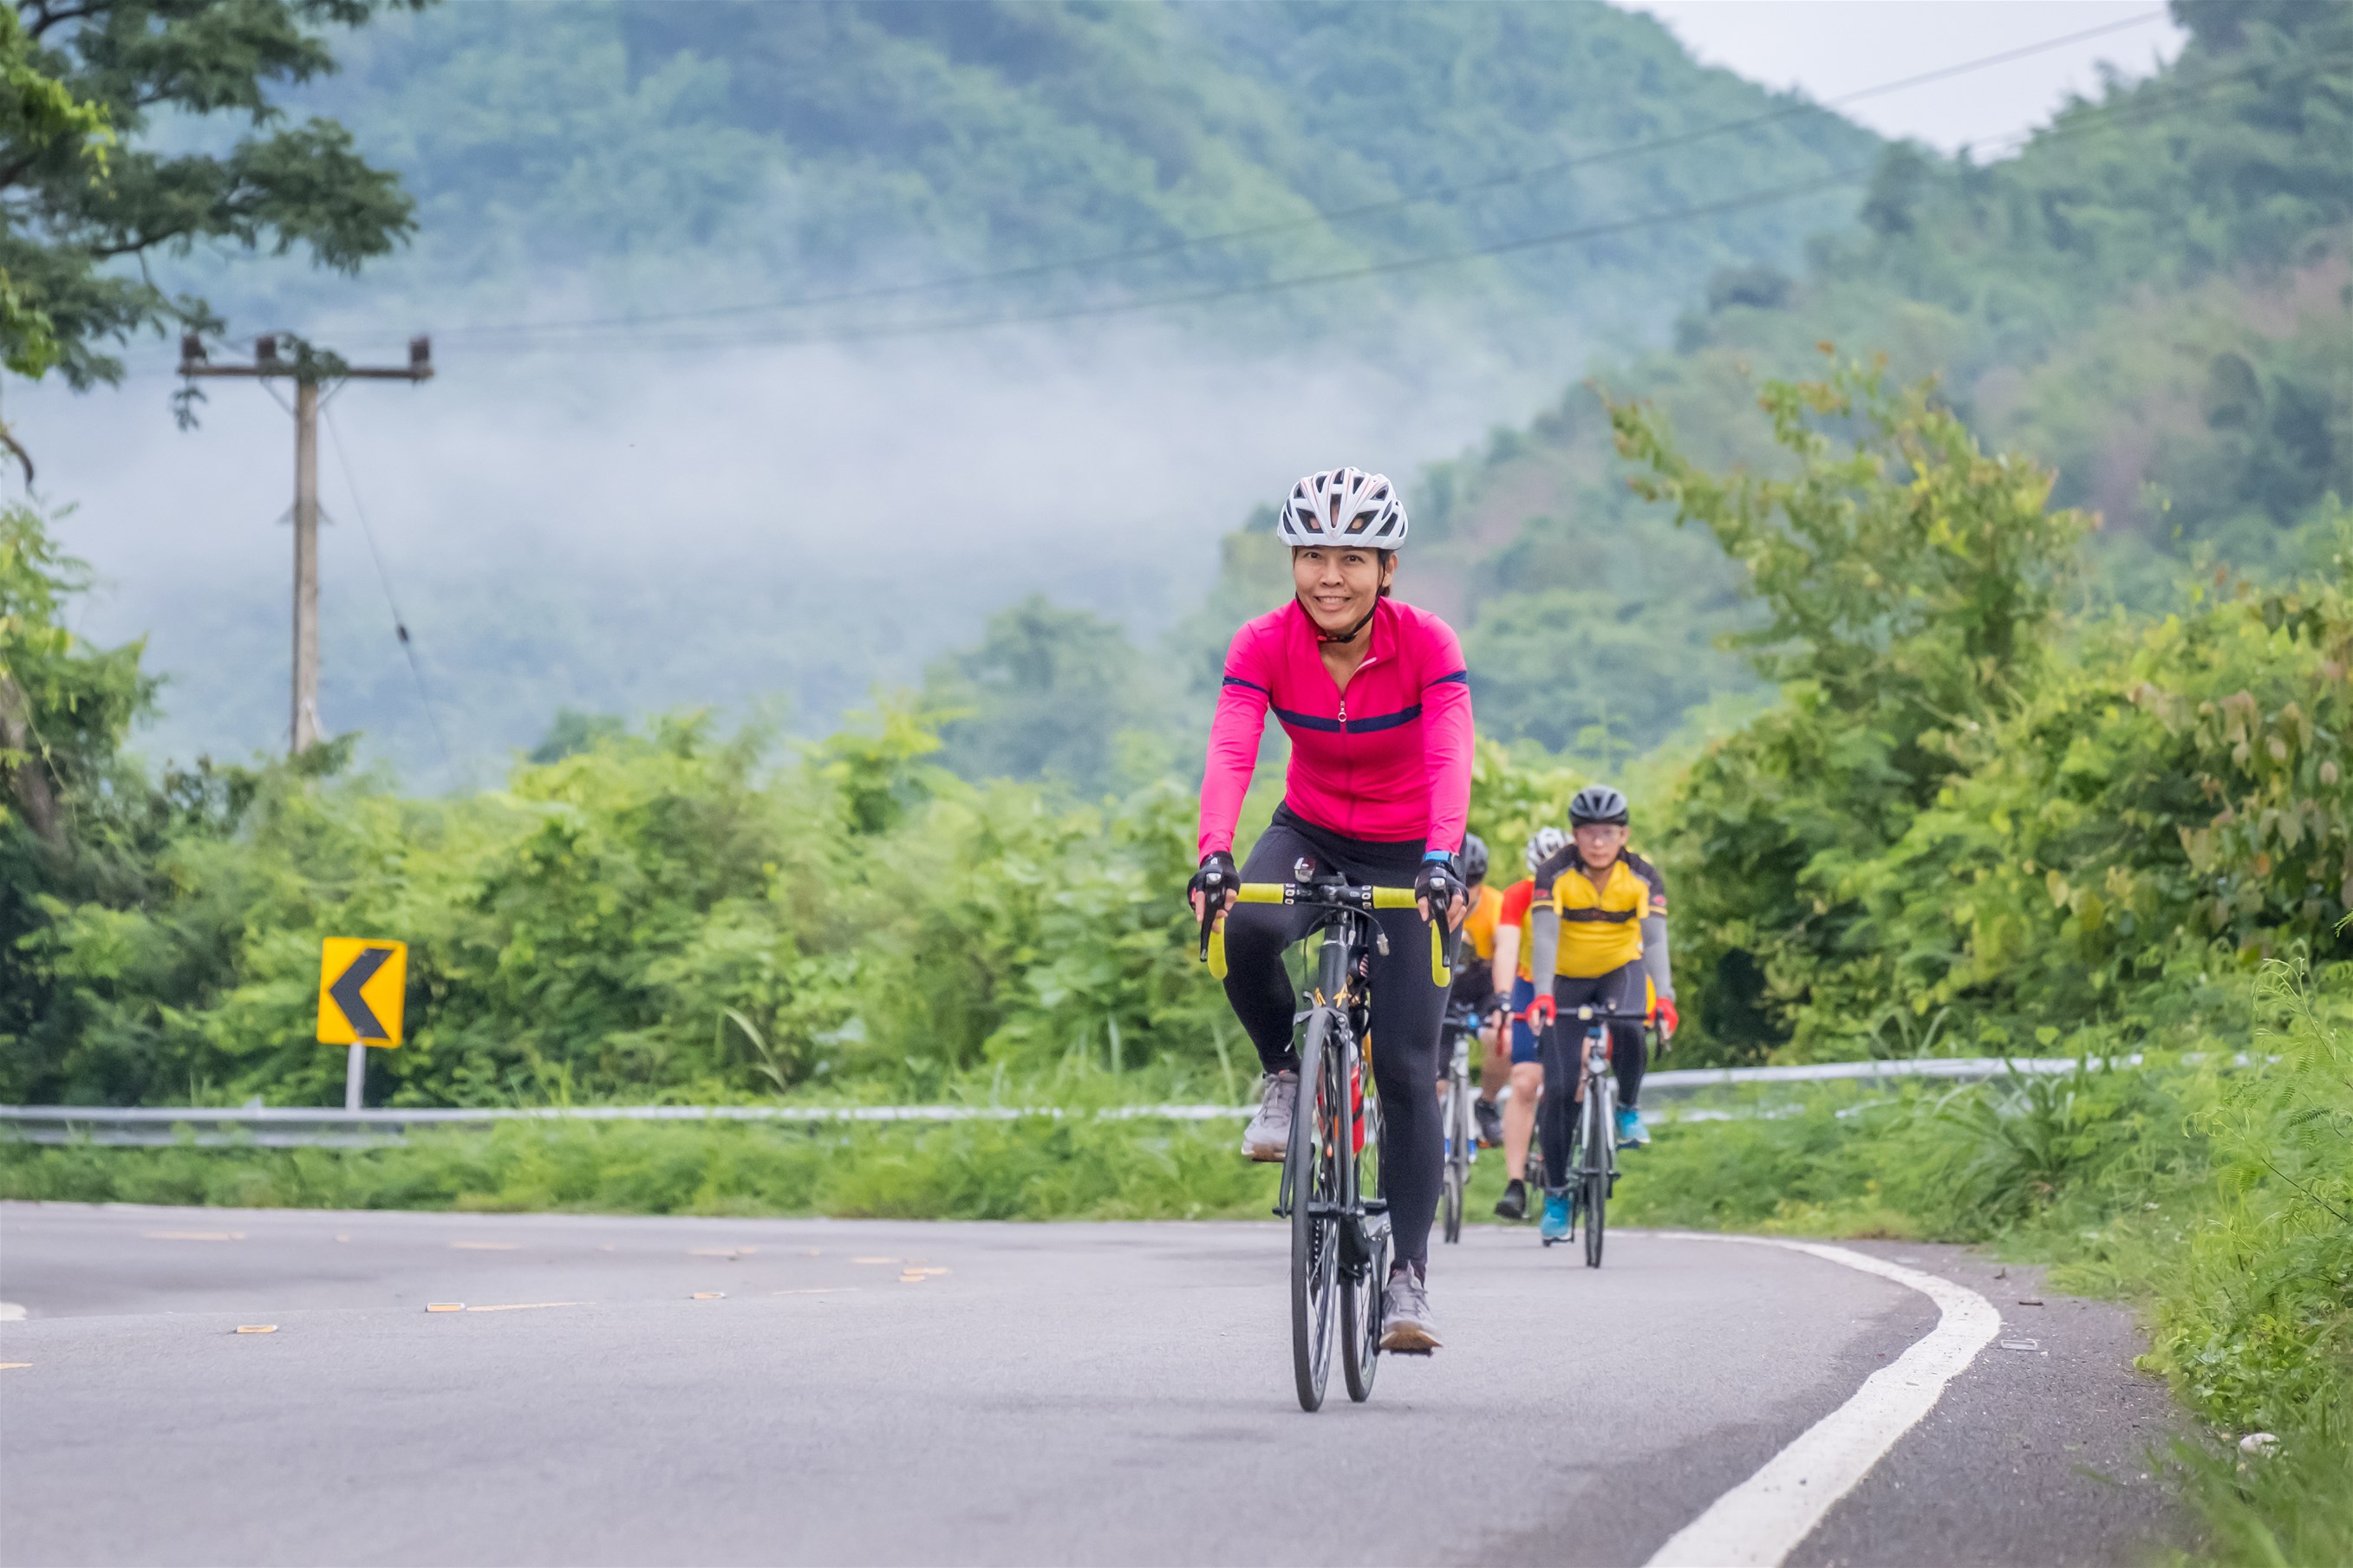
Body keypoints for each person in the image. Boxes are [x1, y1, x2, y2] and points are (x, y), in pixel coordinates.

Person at [1189, 465, 1474, 1354]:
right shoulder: (1261, 643)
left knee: (1401, 1064)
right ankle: (1284, 1072)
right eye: (1311, 554)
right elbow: (1234, 748)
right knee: (1244, 926)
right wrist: (1213, 851)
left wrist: (1438, 857)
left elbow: (1448, 754)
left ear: (1385, 569)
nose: (1328, 575)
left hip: (1410, 851)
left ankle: (1408, 1282)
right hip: (1309, 828)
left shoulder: (1426, 644)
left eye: (1351, 557)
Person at [1522, 785, 1679, 1244]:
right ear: (1575, 834)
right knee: (1560, 1087)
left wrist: (1664, 996)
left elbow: (1653, 942)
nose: (1597, 842)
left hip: (1619, 970)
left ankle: (1628, 1107)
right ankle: (1556, 1194)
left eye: (1607, 833)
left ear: (1623, 834)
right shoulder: (1554, 873)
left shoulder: (1643, 876)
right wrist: (1544, 993)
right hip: (1566, 977)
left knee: (1631, 1024)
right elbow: (1546, 938)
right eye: (1588, 833)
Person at [1488, 826, 1566, 1220]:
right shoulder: (1519, 895)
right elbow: (1507, 947)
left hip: (1573, 984)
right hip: (1528, 986)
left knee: (1575, 1078)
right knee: (1524, 1083)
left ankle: (1564, 1163)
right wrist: (1504, 998)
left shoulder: (1584, 893)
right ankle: (1516, 1183)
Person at [1436, 833, 1507, 1126]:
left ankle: (1487, 1103)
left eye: (1474, 883)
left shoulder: (1496, 905)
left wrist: (1503, 1000)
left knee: (1502, 1039)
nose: (1467, 891)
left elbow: (1506, 950)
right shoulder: (1432, 905)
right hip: (1444, 988)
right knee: (1435, 1084)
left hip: (1482, 987)